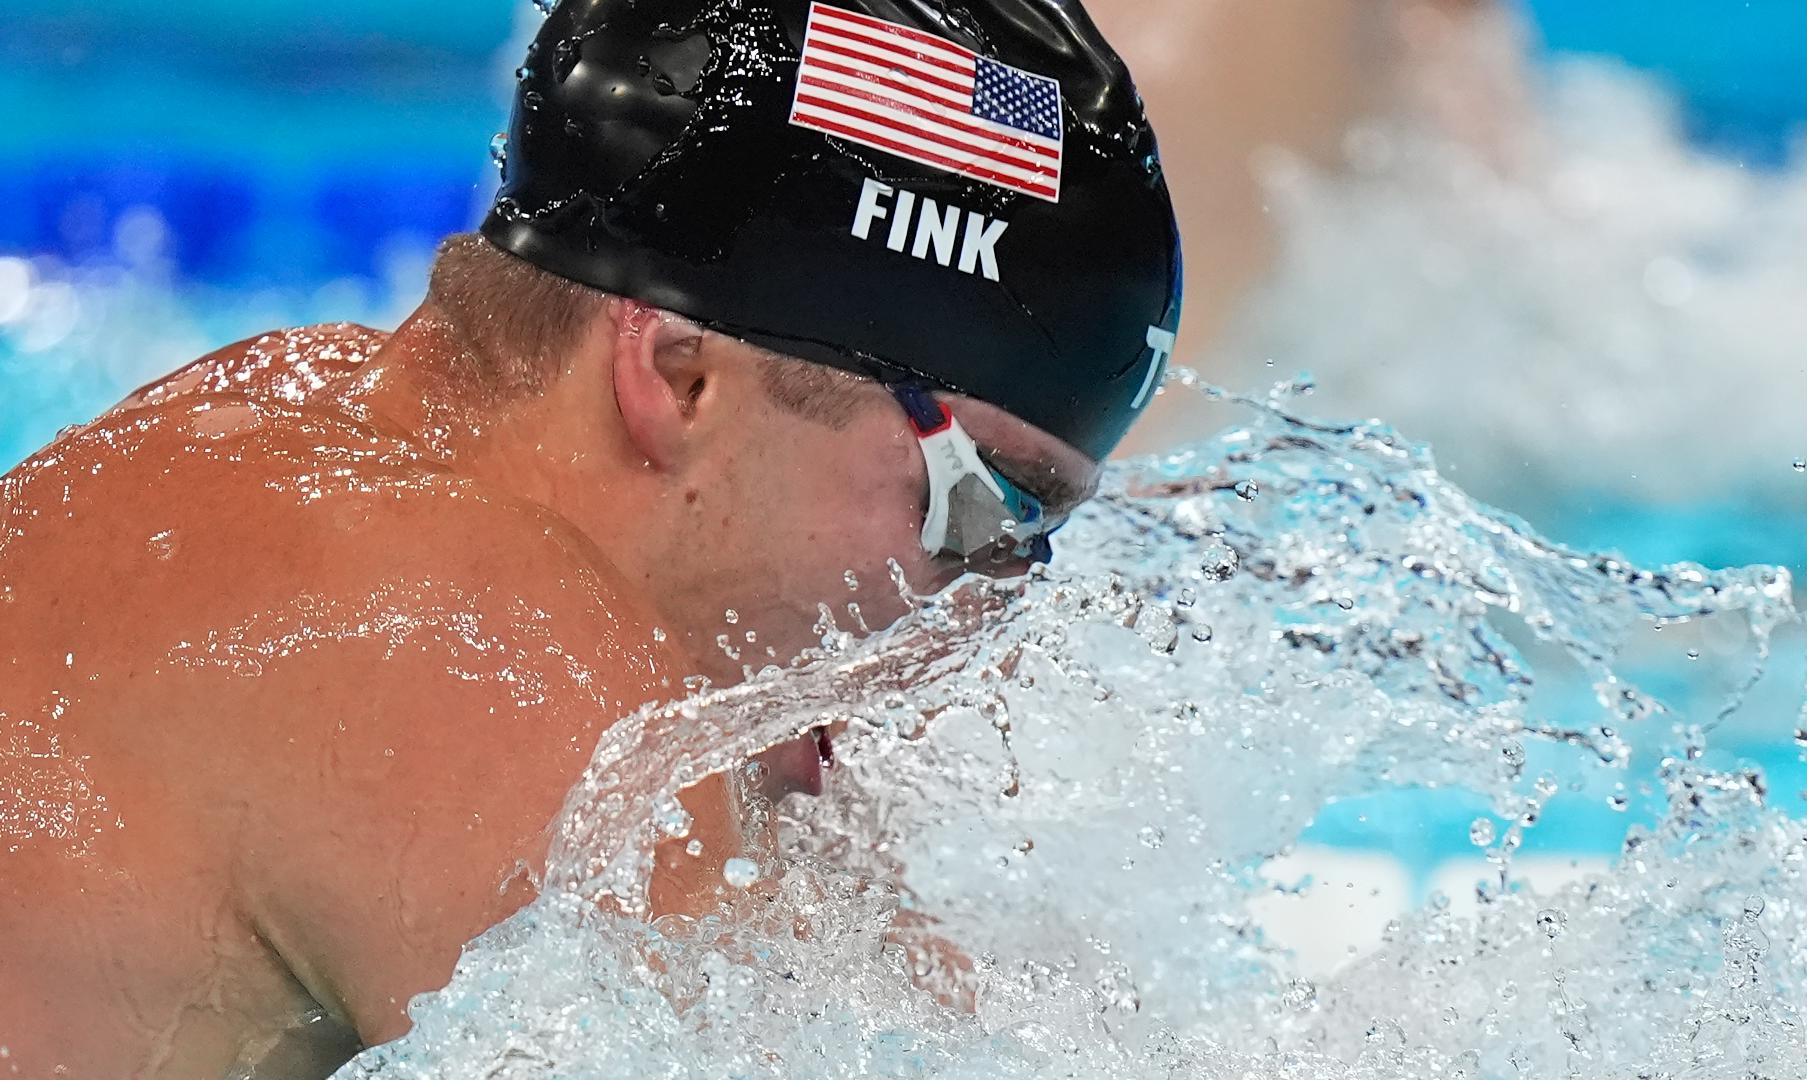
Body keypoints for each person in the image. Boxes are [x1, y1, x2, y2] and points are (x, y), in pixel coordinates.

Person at [0, 0, 1181, 1074]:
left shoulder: (280, 421)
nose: (975, 631)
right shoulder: (471, 642)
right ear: (680, 375)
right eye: (979, 510)